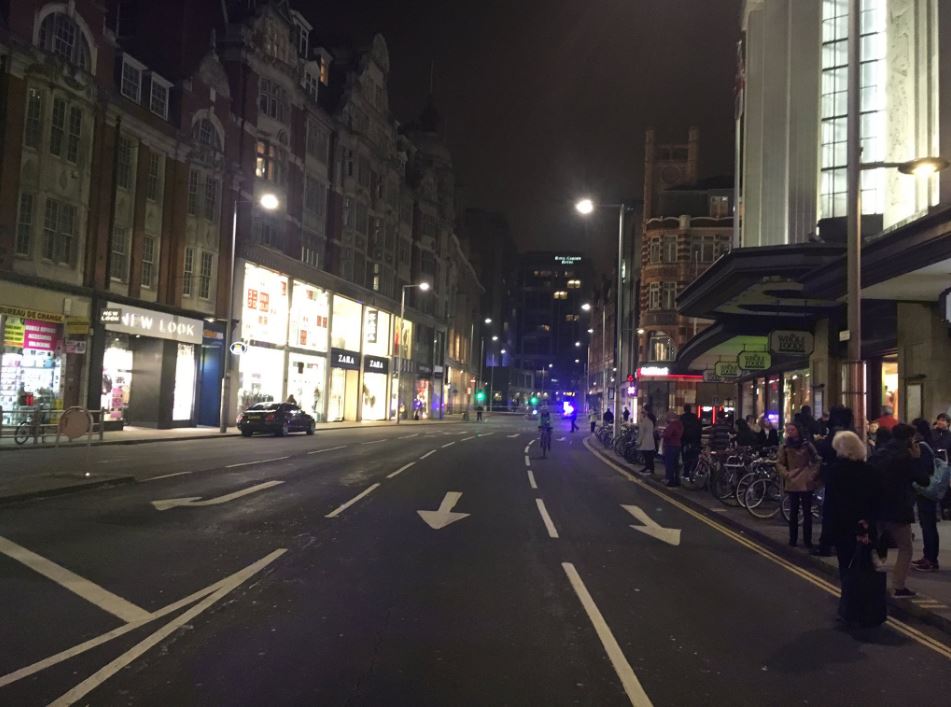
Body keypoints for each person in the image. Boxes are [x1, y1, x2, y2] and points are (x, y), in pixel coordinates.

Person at [872, 423, 932, 597]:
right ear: (909, 438)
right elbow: (924, 480)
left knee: (872, 542)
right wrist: (917, 458)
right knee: (906, 548)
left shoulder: (880, 453)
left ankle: (869, 577)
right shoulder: (906, 456)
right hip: (898, 507)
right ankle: (898, 586)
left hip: (877, 505)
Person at [825, 430, 882, 580]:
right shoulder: (869, 470)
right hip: (864, 524)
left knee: (846, 565)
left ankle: (849, 598)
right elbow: (875, 499)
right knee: (865, 563)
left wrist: (827, 535)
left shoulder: (835, 471)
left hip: (842, 525)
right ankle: (865, 599)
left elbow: (831, 503)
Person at [814, 405, 855, 557]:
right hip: (847, 477)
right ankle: (839, 543)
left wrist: (819, 442)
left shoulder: (836, 432)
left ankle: (827, 545)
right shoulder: (850, 430)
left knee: (830, 511)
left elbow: (826, 449)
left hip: (835, 475)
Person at [776, 423, 821, 548]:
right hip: (792, 480)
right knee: (793, 512)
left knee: (807, 512)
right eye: (788, 430)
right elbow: (780, 463)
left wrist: (812, 475)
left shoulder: (807, 445)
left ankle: (807, 540)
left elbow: (817, 460)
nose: (790, 432)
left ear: (798, 430)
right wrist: (786, 474)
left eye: (792, 429)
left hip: (805, 481)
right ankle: (793, 539)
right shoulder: (784, 447)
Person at [911, 418, 940, 572]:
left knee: (928, 525)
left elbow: (924, 468)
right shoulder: (927, 444)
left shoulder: (922, 447)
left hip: (926, 490)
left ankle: (931, 559)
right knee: (927, 524)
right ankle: (928, 556)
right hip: (926, 490)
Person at [661, 411, 684, 487]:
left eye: (667, 416)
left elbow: (667, 435)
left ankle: (671, 480)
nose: (666, 418)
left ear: (671, 417)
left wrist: (662, 433)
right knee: (675, 464)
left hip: (670, 446)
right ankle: (677, 480)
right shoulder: (680, 424)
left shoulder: (672, 425)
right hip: (677, 445)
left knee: (669, 464)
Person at [680, 404, 703, 478]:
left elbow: (681, 430)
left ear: (684, 409)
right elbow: (700, 428)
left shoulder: (682, 418)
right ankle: (693, 471)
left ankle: (686, 473)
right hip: (695, 441)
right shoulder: (695, 417)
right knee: (694, 457)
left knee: (686, 458)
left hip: (685, 441)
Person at [636, 407, 656, 475]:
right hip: (651, 440)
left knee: (647, 456)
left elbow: (641, 433)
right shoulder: (651, 420)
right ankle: (650, 469)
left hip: (645, 441)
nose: (641, 414)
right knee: (650, 456)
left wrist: (638, 442)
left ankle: (648, 468)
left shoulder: (644, 421)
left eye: (642, 412)